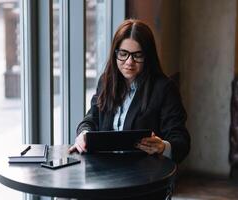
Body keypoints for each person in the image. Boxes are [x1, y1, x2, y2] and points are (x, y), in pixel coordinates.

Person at [69, 19, 190, 164]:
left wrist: (163, 146)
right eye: (123, 54)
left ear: (148, 56)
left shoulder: (164, 89)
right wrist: (83, 134)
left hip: (144, 176)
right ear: (115, 53)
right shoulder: (106, 81)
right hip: (104, 172)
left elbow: (181, 140)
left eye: (137, 55)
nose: (129, 62)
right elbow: (92, 117)